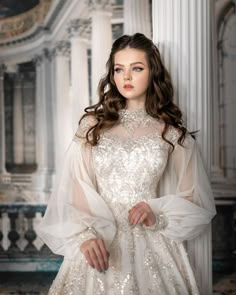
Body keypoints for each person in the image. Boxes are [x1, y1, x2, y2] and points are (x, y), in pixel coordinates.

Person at [37, 33, 216, 295]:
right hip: (99, 237)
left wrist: (156, 211)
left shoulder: (172, 133)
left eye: (137, 68)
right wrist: (84, 235)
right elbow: (76, 186)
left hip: (151, 240)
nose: (126, 77)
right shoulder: (93, 126)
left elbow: (195, 198)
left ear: (153, 71)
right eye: (119, 69)